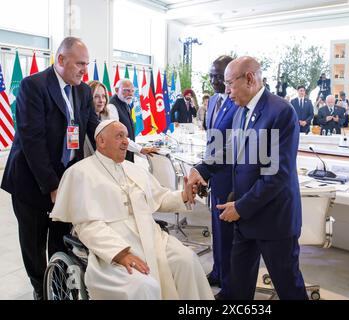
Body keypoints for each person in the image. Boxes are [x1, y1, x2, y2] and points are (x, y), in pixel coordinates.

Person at [50, 120, 214, 300]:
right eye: (119, 136)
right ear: (101, 141)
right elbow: (87, 225)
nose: (126, 141)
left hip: (153, 239)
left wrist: (183, 195)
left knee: (187, 260)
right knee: (142, 286)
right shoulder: (80, 173)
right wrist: (120, 253)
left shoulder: (135, 169)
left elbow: (159, 198)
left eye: (126, 136)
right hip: (111, 246)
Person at [189, 56, 308, 300]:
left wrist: (241, 207)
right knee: (237, 287)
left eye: (230, 84)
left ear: (250, 79)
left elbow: (277, 175)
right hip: (244, 217)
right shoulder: (242, 112)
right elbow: (232, 149)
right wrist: (202, 169)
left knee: (288, 288)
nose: (227, 92)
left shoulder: (280, 112)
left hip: (273, 219)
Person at [0, 37, 99, 300]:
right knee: (34, 244)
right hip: (31, 182)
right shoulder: (34, 86)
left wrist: (121, 146)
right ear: (61, 60)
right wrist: (53, 186)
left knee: (60, 239)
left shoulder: (83, 91)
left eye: (86, 64)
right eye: (80, 64)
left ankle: (58, 285)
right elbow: (33, 141)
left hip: (65, 180)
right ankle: (40, 290)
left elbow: (94, 128)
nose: (84, 70)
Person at [203, 55, 238, 299]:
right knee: (215, 228)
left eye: (218, 76)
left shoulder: (238, 103)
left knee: (228, 232)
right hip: (214, 173)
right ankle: (217, 270)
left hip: (229, 175)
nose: (213, 80)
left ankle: (229, 282)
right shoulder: (215, 100)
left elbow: (234, 145)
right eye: (212, 75)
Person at [107, 79, 156, 162]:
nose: (130, 94)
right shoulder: (112, 107)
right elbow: (118, 136)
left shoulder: (126, 103)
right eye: (126, 90)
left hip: (126, 153)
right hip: (117, 156)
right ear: (116, 90)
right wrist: (140, 149)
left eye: (132, 91)